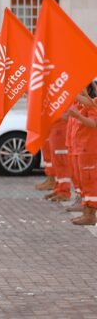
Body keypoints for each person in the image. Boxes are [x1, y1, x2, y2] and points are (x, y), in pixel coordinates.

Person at [68, 85, 97, 225]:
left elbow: (93, 124)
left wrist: (78, 116)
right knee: (85, 183)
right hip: (82, 148)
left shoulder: (94, 103)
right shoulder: (87, 103)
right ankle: (87, 212)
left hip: (89, 150)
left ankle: (91, 215)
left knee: (90, 183)